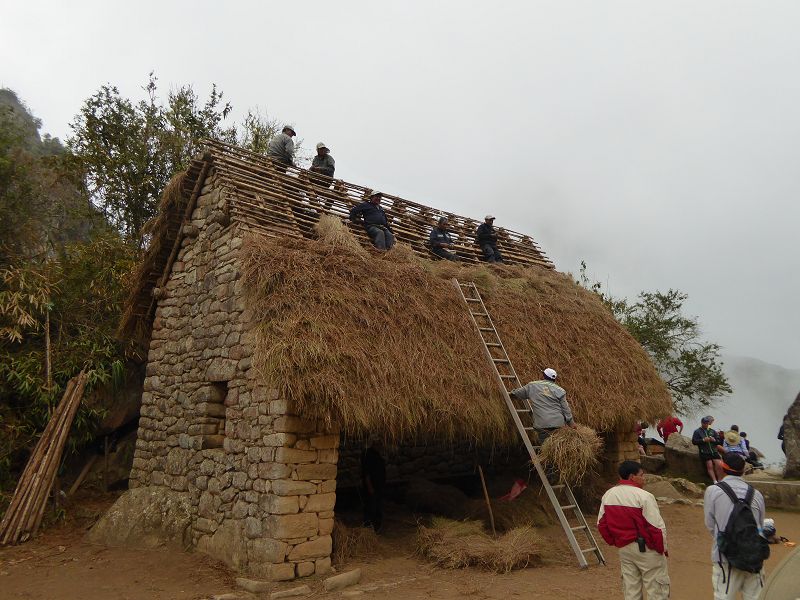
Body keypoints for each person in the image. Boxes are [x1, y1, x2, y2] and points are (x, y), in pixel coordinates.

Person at [598, 460, 670, 600]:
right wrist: (662, 549)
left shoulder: (609, 494)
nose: (644, 478)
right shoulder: (644, 496)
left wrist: (615, 541)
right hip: (647, 549)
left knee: (631, 590)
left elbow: (602, 524)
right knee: (657, 589)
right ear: (632, 476)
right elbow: (656, 527)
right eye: (641, 475)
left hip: (625, 548)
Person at [703, 454, 769, 599]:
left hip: (726, 557)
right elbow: (759, 525)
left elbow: (710, 525)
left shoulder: (713, 491)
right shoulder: (756, 494)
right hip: (754, 557)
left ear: (722, 467)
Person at [510, 368, 576, 446]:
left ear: (543, 375)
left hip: (543, 424)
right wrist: (571, 424)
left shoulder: (533, 385)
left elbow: (518, 393)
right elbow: (566, 409)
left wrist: (512, 393)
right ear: (554, 379)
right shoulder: (560, 390)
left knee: (545, 447)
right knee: (556, 447)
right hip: (558, 424)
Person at [361, 436, 386, 532]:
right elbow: (366, 472)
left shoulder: (377, 455)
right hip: (372, 487)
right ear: (374, 444)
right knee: (371, 507)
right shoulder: (368, 455)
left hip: (378, 486)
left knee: (377, 506)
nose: (380, 446)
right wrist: (370, 487)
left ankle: (376, 527)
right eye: (378, 444)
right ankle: (369, 527)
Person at [692, 415, 724, 484]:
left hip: (714, 451)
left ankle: (720, 480)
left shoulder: (712, 431)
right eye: (704, 423)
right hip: (704, 452)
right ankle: (714, 481)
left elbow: (719, 442)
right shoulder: (697, 431)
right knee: (710, 465)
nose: (706, 424)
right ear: (702, 423)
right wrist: (703, 440)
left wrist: (714, 440)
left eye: (707, 423)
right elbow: (694, 441)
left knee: (719, 465)